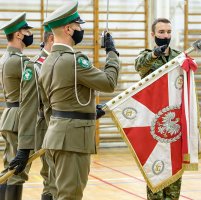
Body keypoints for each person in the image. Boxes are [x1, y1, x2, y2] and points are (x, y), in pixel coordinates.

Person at [39, 1, 120, 199]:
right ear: (68, 29)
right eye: (78, 26)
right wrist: (112, 53)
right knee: (70, 195)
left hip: (55, 136)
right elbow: (109, 83)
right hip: (73, 140)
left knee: (58, 193)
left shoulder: (47, 61)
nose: (80, 30)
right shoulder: (75, 60)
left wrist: (89, 111)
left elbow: (49, 106)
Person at [135, 18, 182, 200]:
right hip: (154, 124)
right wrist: (154, 55)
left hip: (174, 124)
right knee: (155, 177)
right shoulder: (146, 57)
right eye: (161, 32)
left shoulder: (179, 56)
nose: (166, 36)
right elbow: (139, 66)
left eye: (168, 32)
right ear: (153, 35)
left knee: (175, 174)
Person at [10, 25, 54, 200]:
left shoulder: (66, 60)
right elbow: (28, 107)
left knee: (60, 181)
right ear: (51, 38)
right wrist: (24, 147)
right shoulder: (36, 66)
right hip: (47, 128)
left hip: (67, 130)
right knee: (52, 180)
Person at [0, 12, 34, 200]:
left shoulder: (6, 58)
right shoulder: (20, 61)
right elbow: (30, 97)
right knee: (16, 173)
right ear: (19, 35)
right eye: (27, 31)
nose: (30, 34)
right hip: (20, 119)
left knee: (9, 169)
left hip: (10, 116)